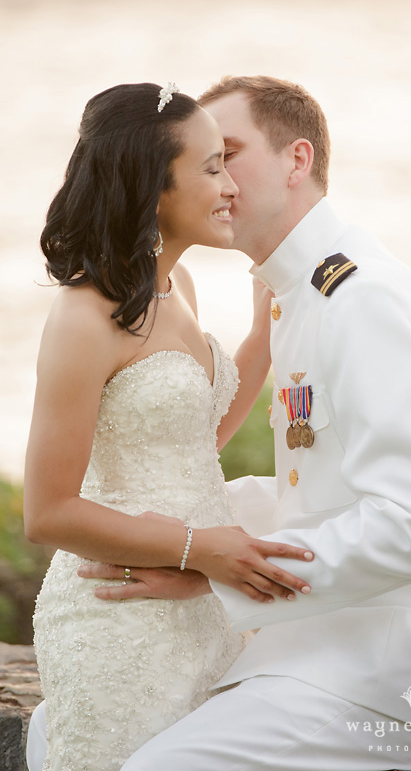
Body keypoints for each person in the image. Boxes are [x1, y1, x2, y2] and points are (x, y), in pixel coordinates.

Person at [67, 76, 411, 771]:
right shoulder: (297, 294)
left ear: (297, 160)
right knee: (79, 733)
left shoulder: (359, 301)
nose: (214, 177)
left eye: (229, 153)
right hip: (333, 633)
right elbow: (320, 489)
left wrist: (218, 573)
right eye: (204, 160)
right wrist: (180, 528)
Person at [23, 82, 315, 771]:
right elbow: (48, 511)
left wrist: (258, 341)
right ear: (153, 187)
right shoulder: (83, 318)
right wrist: (197, 548)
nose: (230, 186)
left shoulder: (175, 287)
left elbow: (191, 443)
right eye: (211, 167)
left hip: (202, 605)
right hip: (118, 617)